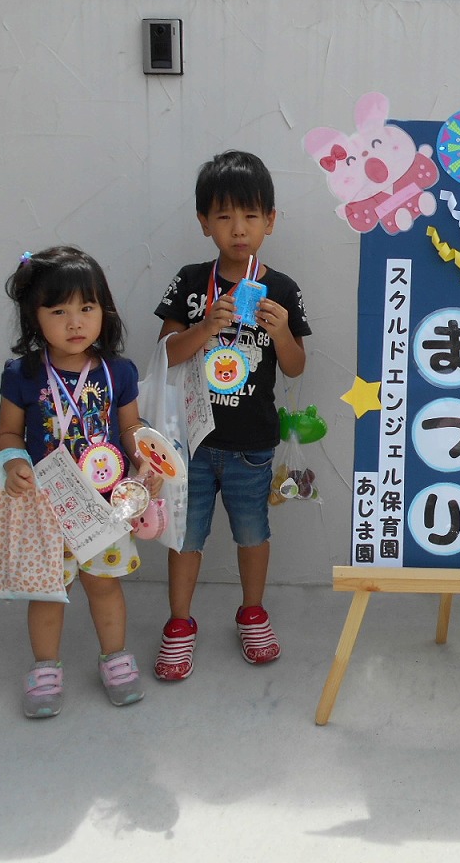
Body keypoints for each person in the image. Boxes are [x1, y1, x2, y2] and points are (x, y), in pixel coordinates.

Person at [152, 150, 310, 680]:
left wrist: (282, 331)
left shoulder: (282, 288)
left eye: (249, 216)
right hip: (188, 442)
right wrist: (204, 329)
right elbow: (165, 353)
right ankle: (179, 624)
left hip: (252, 442)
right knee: (186, 537)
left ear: (270, 220)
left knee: (252, 533)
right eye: (223, 216)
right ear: (204, 223)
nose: (237, 229)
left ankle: (252, 613)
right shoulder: (192, 281)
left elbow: (295, 368)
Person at [0, 245, 150, 718]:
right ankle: (45, 669)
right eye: (58, 311)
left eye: (87, 308)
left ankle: (116, 659)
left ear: (104, 311)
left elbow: (129, 429)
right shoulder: (21, 374)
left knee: (104, 585)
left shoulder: (117, 371)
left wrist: (144, 457)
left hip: (103, 507)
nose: (75, 322)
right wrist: (11, 462)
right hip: (45, 504)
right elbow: (7, 431)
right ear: (33, 316)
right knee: (48, 592)